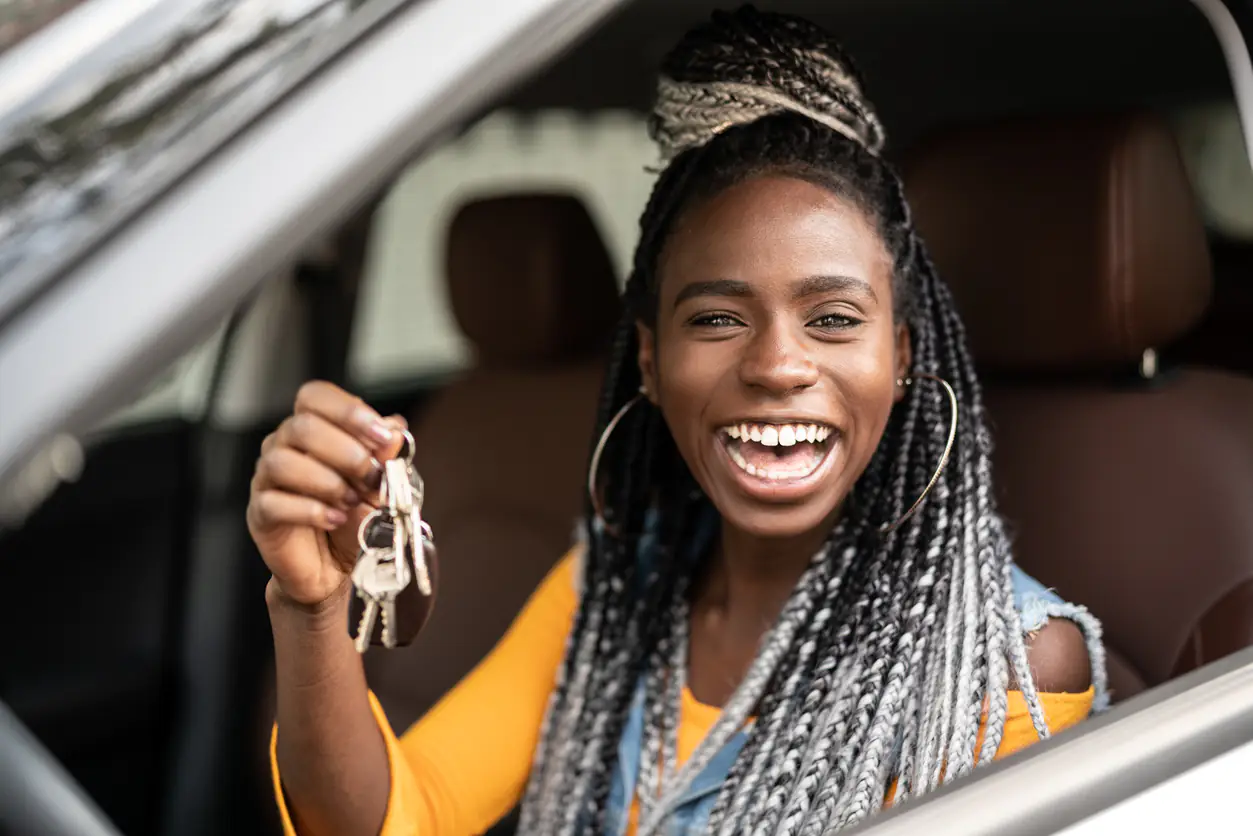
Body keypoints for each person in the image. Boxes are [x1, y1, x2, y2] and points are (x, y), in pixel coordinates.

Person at [248, 7, 1108, 836]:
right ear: (652, 365)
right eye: (717, 319)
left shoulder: (1003, 668)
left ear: (906, 356)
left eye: (835, 318)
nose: (777, 365)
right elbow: (398, 818)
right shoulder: (611, 592)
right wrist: (311, 606)